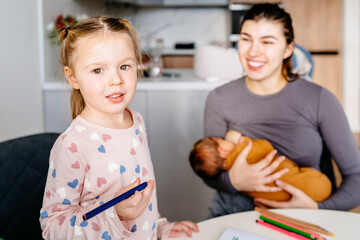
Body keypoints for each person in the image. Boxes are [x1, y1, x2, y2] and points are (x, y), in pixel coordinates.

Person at [39, 17, 199, 239]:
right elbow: (53, 229)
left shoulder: (137, 121)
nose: (116, 80)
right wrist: (116, 216)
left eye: (124, 66)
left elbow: (142, 197)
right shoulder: (72, 145)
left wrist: (160, 227)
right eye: (98, 70)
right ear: (73, 77)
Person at [202, 3, 360, 218]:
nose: (253, 51)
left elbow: (356, 177)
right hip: (233, 211)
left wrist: (318, 209)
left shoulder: (319, 100)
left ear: (288, 48)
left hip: (304, 214)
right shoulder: (219, 99)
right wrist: (234, 181)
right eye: (246, 39)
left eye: (267, 42)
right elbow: (209, 167)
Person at [189, 130, 332, 202]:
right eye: (221, 140)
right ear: (222, 150)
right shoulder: (244, 149)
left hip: (284, 203)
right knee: (294, 176)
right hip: (316, 185)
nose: (223, 138)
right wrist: (239, 139)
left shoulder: (234, 174)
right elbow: (266, 147)